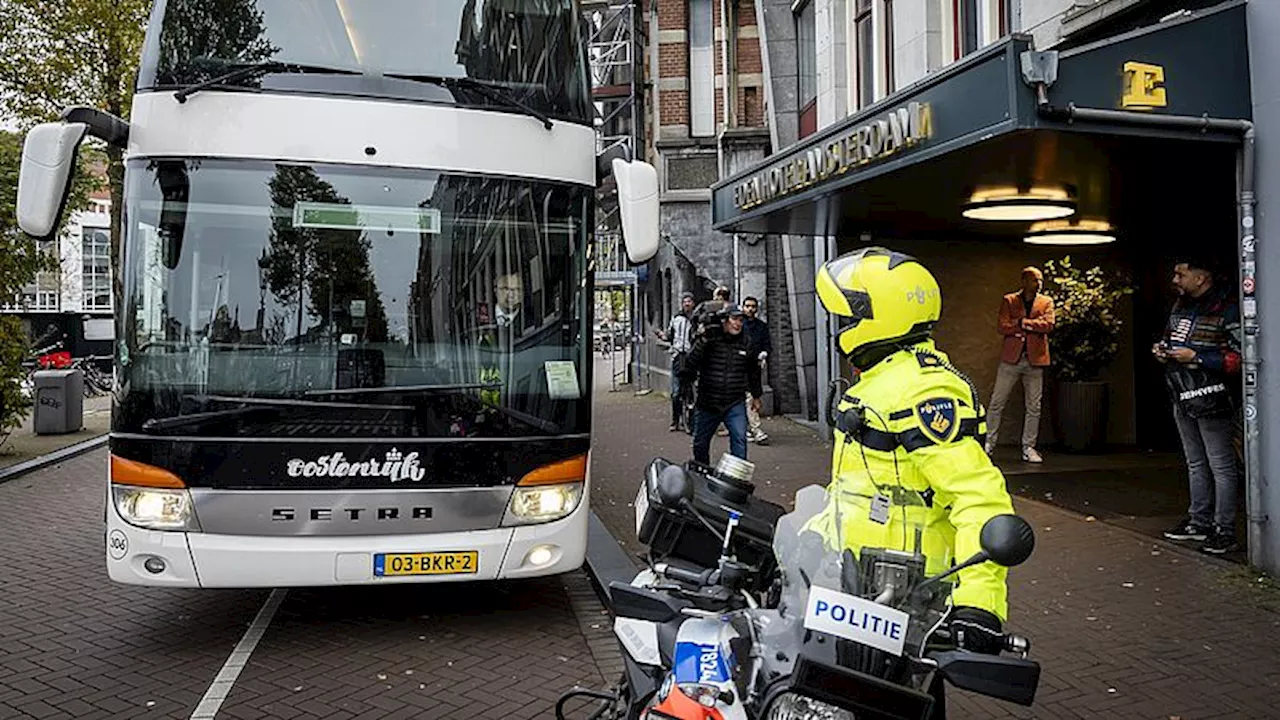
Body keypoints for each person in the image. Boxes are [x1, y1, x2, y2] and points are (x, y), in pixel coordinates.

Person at [807, 247, 1019, 716]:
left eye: (846, 316)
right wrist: (805, 546)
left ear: (878, 317)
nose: (839, 328)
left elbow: (978, 499)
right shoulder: (881, 379)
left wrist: (978, 604)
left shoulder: (924, 390)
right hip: (853, 591)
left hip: (905, 601)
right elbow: (861, 490)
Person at [1156, 257, 1242, 555]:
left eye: (1181, 274)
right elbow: (1169, 338)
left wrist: (1197, 357)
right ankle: (1199, 521)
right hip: (1182, 391)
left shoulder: (1227, 309)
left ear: (1201, 277)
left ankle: (1224, 530)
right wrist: (1163, 352)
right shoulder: (1180, 307)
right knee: (1196, 461)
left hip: (1212, 396)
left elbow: (1240, 356)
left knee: (1220, 463)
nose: (1175, 280)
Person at [985, 267, 1055, 463]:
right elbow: (1002, 326)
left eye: (1040, 280)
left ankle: (1029, 447)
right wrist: (1031, 324)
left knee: (1034, 406)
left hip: (1035, 359)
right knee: (997, 402)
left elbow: (1049, 324)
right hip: (1011, 359)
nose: (1039, 284)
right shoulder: (1010, 300)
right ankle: (989, 442)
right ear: (1024, 281)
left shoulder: (1046, 301)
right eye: (1034, 280)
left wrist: (1023, 323)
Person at [680, 302, 763, 464]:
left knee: (740, 440)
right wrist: (702, 341)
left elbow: (753, 370)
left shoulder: (746, 342)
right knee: (700, 442)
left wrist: (756, 395)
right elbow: (690, 364)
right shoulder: (709, 340)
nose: (738, 323)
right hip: (708, 402)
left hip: (734, 401)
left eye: (741, 320)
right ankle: (702, 472)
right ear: (724, 320)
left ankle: (736, 479)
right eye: (734, 319)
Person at [654, 292, 695, 431]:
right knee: (676, 392)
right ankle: (675, 420)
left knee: (691, 392)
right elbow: (669, 336)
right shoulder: (676, 319)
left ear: (693, 304)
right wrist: (662, 335)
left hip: (691, 358)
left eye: (689, 301)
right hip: (677, 357)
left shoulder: (697, 319)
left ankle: (691, 421)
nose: (687, 304)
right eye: (685, 301)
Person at [742, 296, 772, 444]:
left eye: (753, 306)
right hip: (740, 366)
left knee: (754, 396)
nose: (750, 309)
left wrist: (764, 352)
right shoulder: (739, 325)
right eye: (747, 306)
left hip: (755, 366)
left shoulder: (761, 326)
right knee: (748, 398)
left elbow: (767, 343)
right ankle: (755, 429)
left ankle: (747, 428)